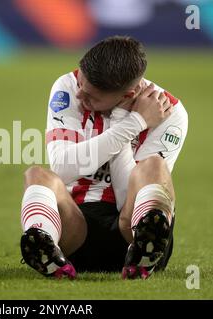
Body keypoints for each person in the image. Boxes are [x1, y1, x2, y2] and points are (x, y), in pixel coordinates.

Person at [20, 36, 188, 279]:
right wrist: (133, 124)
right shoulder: (67, 87)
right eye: (81, 84)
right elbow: (63, 168)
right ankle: (45, 247)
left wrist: (120, 118)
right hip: (74, 232)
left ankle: (144, 255)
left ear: (126, 94)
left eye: (91, 97)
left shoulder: (170, 113)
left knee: (154, 167)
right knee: (36, 175)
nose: (80, 97)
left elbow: (124, 199)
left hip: (131, 231)